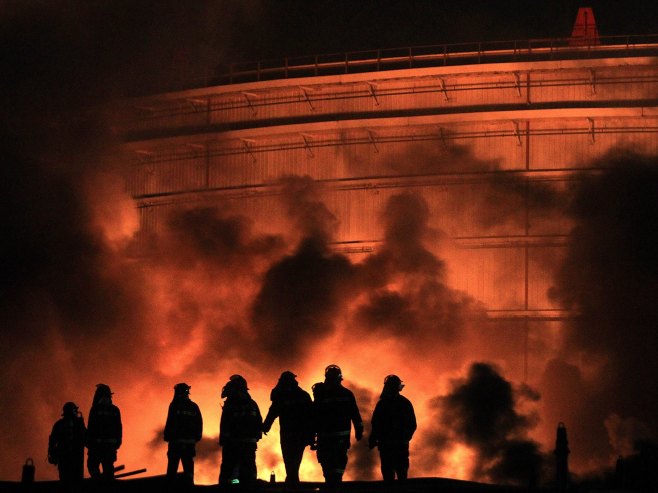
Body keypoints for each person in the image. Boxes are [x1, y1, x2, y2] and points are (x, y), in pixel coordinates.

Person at [313, 364, 364, 485]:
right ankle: (336, 483)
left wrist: (311, 435)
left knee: (327, 462)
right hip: (341, 438)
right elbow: (355, 415)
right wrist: (359, 430)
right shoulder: (347, 394)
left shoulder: (321, 394)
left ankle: (331, 483)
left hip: (324, 437)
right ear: (340, 378)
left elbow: (314, 415)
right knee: (338, 461)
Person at [262, 371, 314, 484]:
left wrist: (265, 427)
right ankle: (293, 478)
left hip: (287, 434)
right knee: (296, 458)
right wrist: (311, 435)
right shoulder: (303, 395)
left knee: (289, 458)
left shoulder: (281, 396)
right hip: (301, 434)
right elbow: (311, 415)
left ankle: (292, 478)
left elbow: (272, 413)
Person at [368, 374, 417, 482]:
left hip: (388, 445)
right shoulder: (405, 403)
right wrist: (405, 438)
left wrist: (373, 439)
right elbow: (412, 424)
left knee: (390, 474)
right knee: (400, 473)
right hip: (396, 445)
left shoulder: (382, 404)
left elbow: (375, 424)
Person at [218, 374, 263, 487]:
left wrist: (224, 439)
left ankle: (228, 487)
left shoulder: (231, 404)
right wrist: (256, 437)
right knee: (249, 468)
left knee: (230, 469)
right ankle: (249, 486)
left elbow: (225, 424)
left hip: (233, 443)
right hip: (249, 443)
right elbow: (259, 421)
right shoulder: (252, 403)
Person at [164, 382, 203, 486]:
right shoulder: (194, 406)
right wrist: (196, 437)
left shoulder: (174, 405)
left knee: (172, 467)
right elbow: (199, 423)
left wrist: (167, 436)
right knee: (189, 467)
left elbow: (170, 422)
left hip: (175, 443)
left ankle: (170, 487)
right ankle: (189, 486)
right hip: (189, 444)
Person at [86, 383, 122, 480]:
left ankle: (98, 484)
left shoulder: (95, 409)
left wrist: (89, 443)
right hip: (109, 449)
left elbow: (91, 428)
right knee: (108, 471)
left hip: (96, 448)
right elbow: (119, 428)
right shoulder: (115, 410)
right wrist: (117, 443)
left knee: (93, 467)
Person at [48, 402, 87, 487]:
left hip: (63, 458)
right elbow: (86, 439)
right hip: (77, 459)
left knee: (64, 480)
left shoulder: (59, 424)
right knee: (77, 481)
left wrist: (52, 454)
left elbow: (52, 441)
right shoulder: (79, 424)